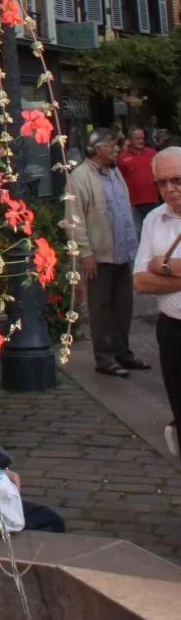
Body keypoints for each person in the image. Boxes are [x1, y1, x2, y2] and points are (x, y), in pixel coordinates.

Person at [64, 128, 150, 377]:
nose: (117, 149)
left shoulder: (114, 172)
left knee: (123, 306)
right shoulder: (79, 176)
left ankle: (123, 352)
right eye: (112, 144)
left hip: (122, 252)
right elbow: (74, 218)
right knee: (101, 308)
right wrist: (85, 252)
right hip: (99, 256)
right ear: (97, 148)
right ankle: (104, 358)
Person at [133, 146, 181, 462]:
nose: (169, 189)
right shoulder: (155, 219)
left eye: (177, 180)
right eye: (161, 183)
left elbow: (152, 272)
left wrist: (161, 265)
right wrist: (157, 268)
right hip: (173, 332)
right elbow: (140, 282)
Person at [116, 127, 161, 232]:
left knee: (155, 230)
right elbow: (119, 180)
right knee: (137, 232)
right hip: (133, 203)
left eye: (142, 138)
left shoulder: (153, 154)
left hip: (153, 200)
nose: (141, 141)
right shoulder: (122, 158)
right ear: (130, 140)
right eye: (137, 138)